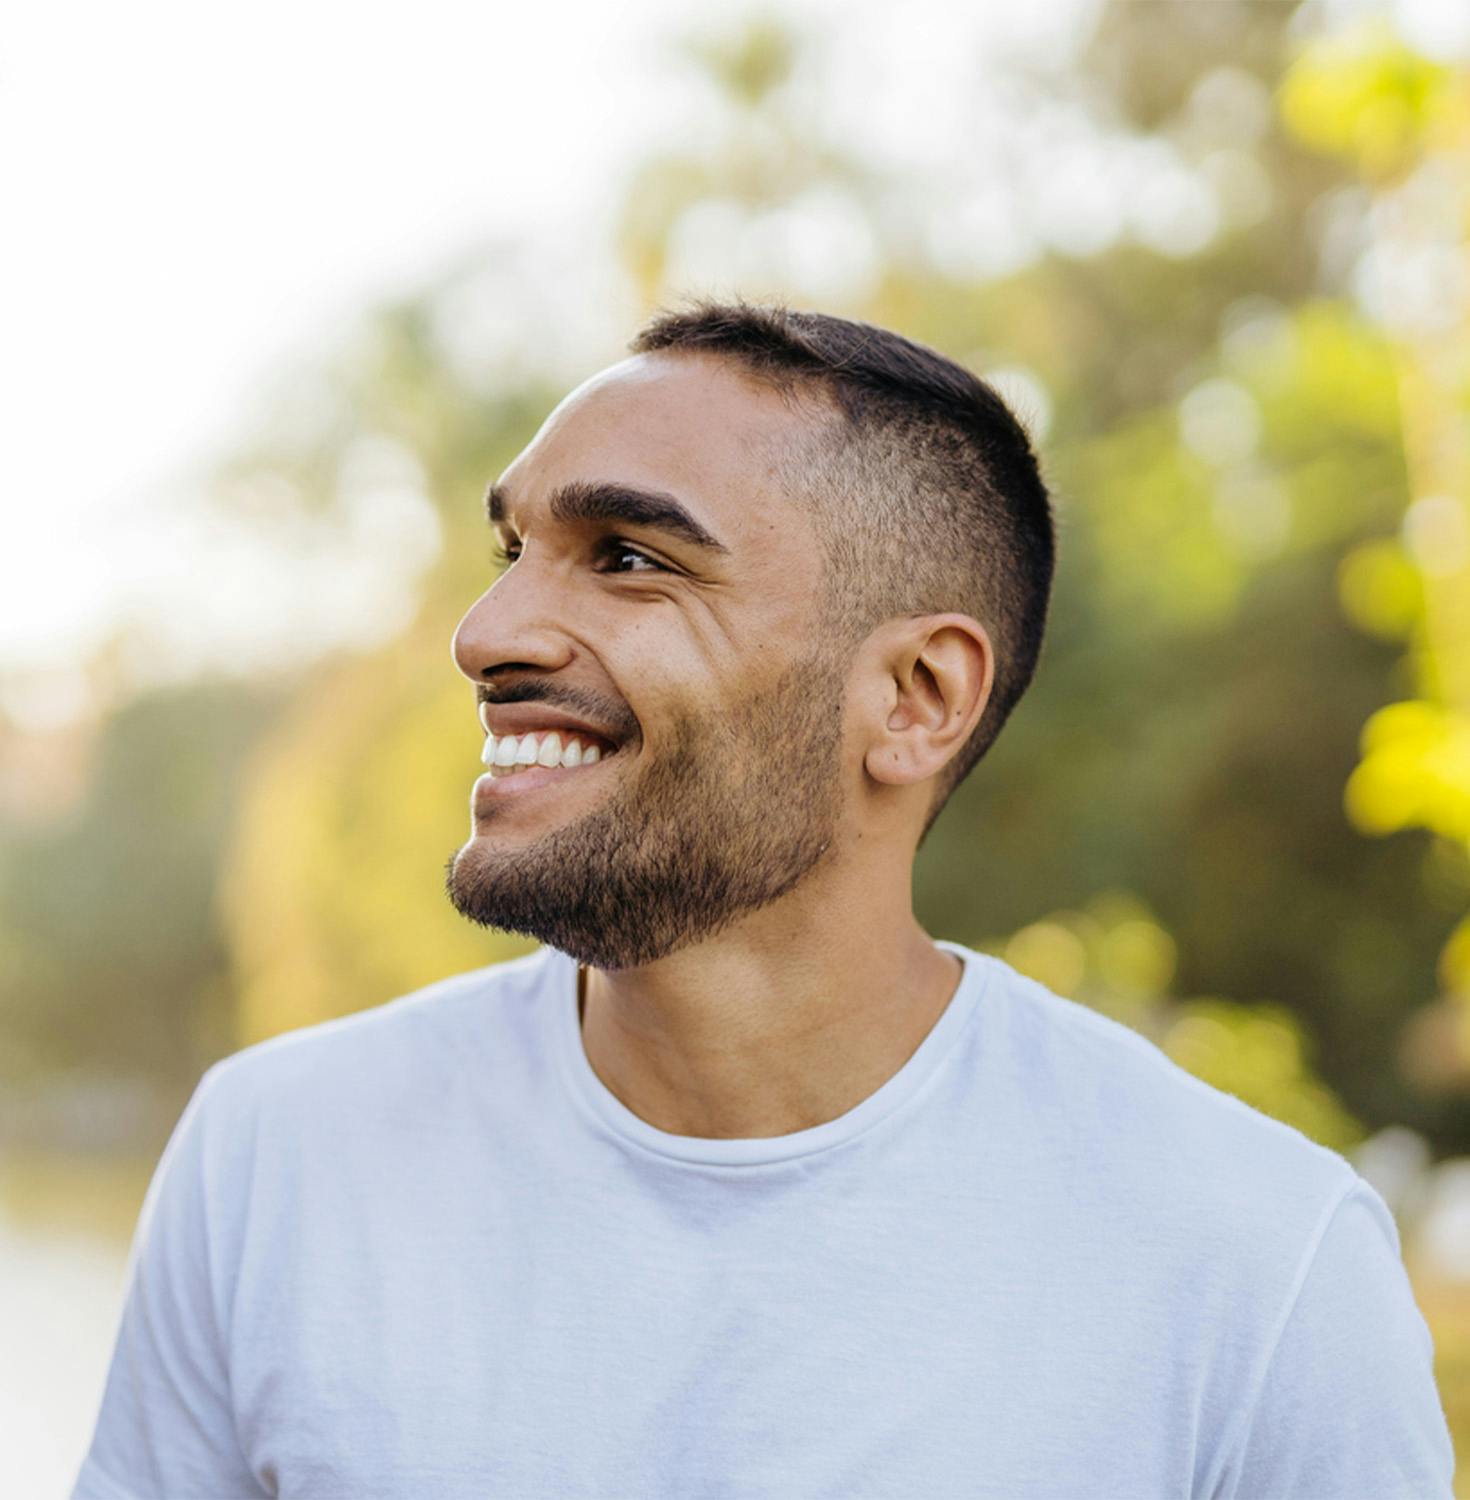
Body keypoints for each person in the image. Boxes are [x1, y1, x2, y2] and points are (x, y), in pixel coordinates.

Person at [72, 300, 1455, 1499]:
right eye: (514, 553)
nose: (485, 637)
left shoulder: (1255, 1264)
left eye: (627, 558)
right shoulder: (277, 1155)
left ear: (913, 700)